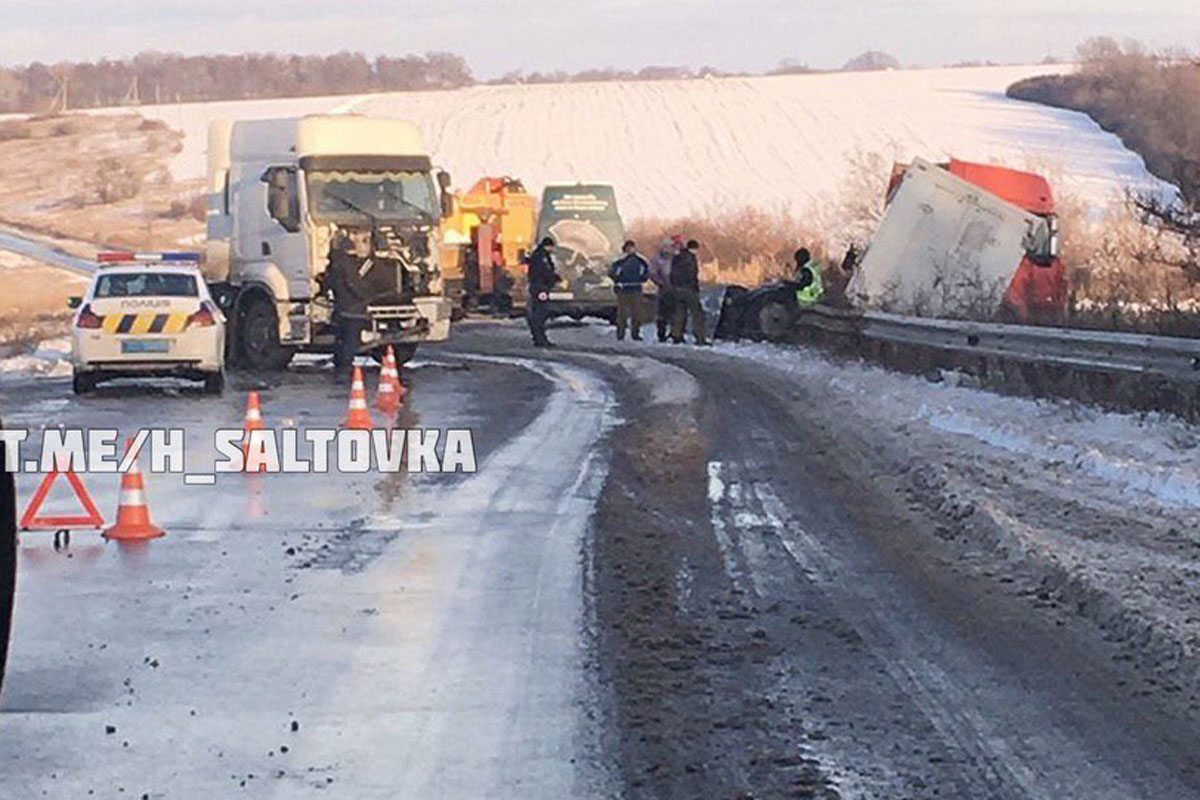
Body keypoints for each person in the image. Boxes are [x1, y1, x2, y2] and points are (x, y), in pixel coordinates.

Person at [326, 233, 370, 380]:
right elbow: (353, 283)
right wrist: (366, 295)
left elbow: (329, 283)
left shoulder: (334, 263)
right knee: (351, 338)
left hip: (341, 307)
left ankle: (339, 363)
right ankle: (345, 366)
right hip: (353, 307)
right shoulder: (347, 263)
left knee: (341, 337)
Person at [609, 239, 650, 341]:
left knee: (637, 313)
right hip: (623, 289)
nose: (630, 250)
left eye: (632, 247)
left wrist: (642, 279)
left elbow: (647, 271)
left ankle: (635, 333)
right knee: (622, 314)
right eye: (628, 248)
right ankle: (620, 334)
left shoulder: (640, 260)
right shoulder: (619, 261)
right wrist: (618, 280)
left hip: (636, 288)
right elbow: (612, 272)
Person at [670, 239, 709, 345]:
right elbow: (691, 275)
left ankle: (676, 335)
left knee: (680, 313)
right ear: (695, 248)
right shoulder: (690, 259)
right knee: (697, 313)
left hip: (677, 289)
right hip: (689, 289)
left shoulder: (678, 257)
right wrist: (695, 287)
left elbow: (672, 274)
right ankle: (700, 337)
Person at [526, 235, 560, 347]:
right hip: (540, 288)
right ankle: (539, 338)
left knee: (540, 312)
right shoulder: (542, 257)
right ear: (548, 246)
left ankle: (539, 338)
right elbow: (545, 272)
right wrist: (555, 278)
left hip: (538, 287)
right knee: (540, 313)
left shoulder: (538, 255)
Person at [649, 238, 675, 342]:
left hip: (675, 288)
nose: (669, 249)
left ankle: (674, 333)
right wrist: (660, 283)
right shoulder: (657, 259)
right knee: (662, 313)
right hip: (663, 289)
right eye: (667, 246)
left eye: (671, 247)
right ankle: (661, 334)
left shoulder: (676, 258)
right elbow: (652, 273)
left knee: (675, 312)